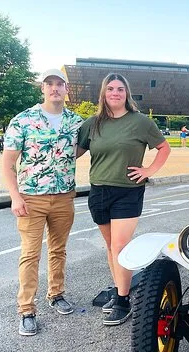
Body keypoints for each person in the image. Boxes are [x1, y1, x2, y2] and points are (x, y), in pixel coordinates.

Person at [77, 73, 170, 326]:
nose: (115, 93)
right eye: (110, 89)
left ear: (126, 93)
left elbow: (164, 148)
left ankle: (122, 300)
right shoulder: (92, 124)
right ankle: (120, 288)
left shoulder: (140, 122)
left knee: (120, 246)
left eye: (120, 89)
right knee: (111, 247)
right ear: (103, 93)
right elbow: (74, 152)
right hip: (99, 192)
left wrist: (149, 170)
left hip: (128, 191)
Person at [2, 68, 84, 336]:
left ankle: (56, 294)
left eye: (60, 84)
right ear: (43, 89)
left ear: (67, 89)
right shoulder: (23, 120)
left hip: (63, 197)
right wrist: (15, 196)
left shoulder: (76, 122)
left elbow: (80, 149)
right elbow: (8, 162)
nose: (54, 88)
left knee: (58, 250)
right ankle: (26, 309)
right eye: (49, 84)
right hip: (31, 198)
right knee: (30, 253)